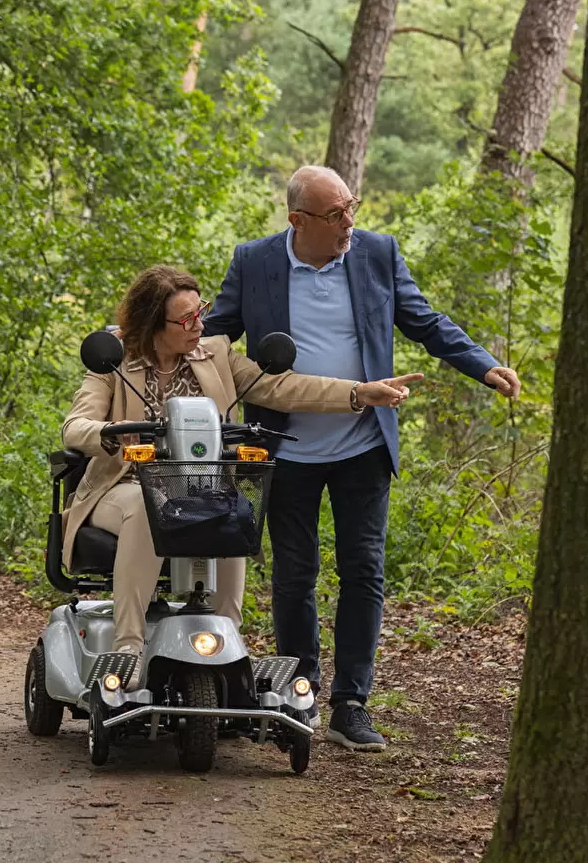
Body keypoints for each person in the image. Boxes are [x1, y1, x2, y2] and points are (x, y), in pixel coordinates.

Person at [205, 165, 522, 752]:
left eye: (352, 205)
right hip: (288, 447)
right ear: (298, 221)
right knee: (296, 575)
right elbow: (212, 334)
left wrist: (483, 364)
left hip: (364, 446)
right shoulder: (255, 262)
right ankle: (299, 692)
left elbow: (425, 322)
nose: (349, 221)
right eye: (334, 214)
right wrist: (149, 345)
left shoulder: (377, 253)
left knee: (364, 573)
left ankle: (351, 703)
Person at [61, 264, 422, 688]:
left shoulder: (215, 353)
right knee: (147, 506)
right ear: (152, 323)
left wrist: (358, 393)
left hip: (200, 488)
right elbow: (74, 425)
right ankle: (128, 647)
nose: (200, 325)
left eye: (202, 312)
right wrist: (109, 434)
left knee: (234, 505)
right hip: (123, 487)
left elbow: (283, 387)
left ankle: (228, 639)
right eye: (187, 319)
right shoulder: (116, 360)